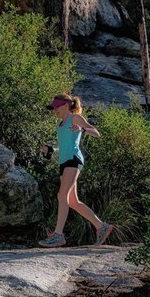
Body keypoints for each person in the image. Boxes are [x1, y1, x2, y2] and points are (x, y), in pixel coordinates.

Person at [38, 94, 114, 247]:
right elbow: (66, 144)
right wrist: (52, 149)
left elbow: (96, 133)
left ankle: (58, 235)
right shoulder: (61, 124)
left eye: (56, 107)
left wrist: (83, 130)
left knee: (62, 195)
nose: (55, 110)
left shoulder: (75, 118)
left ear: (66, 105)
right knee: (73, 201)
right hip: (64, 162)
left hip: (74, 160)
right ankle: (102, 226)